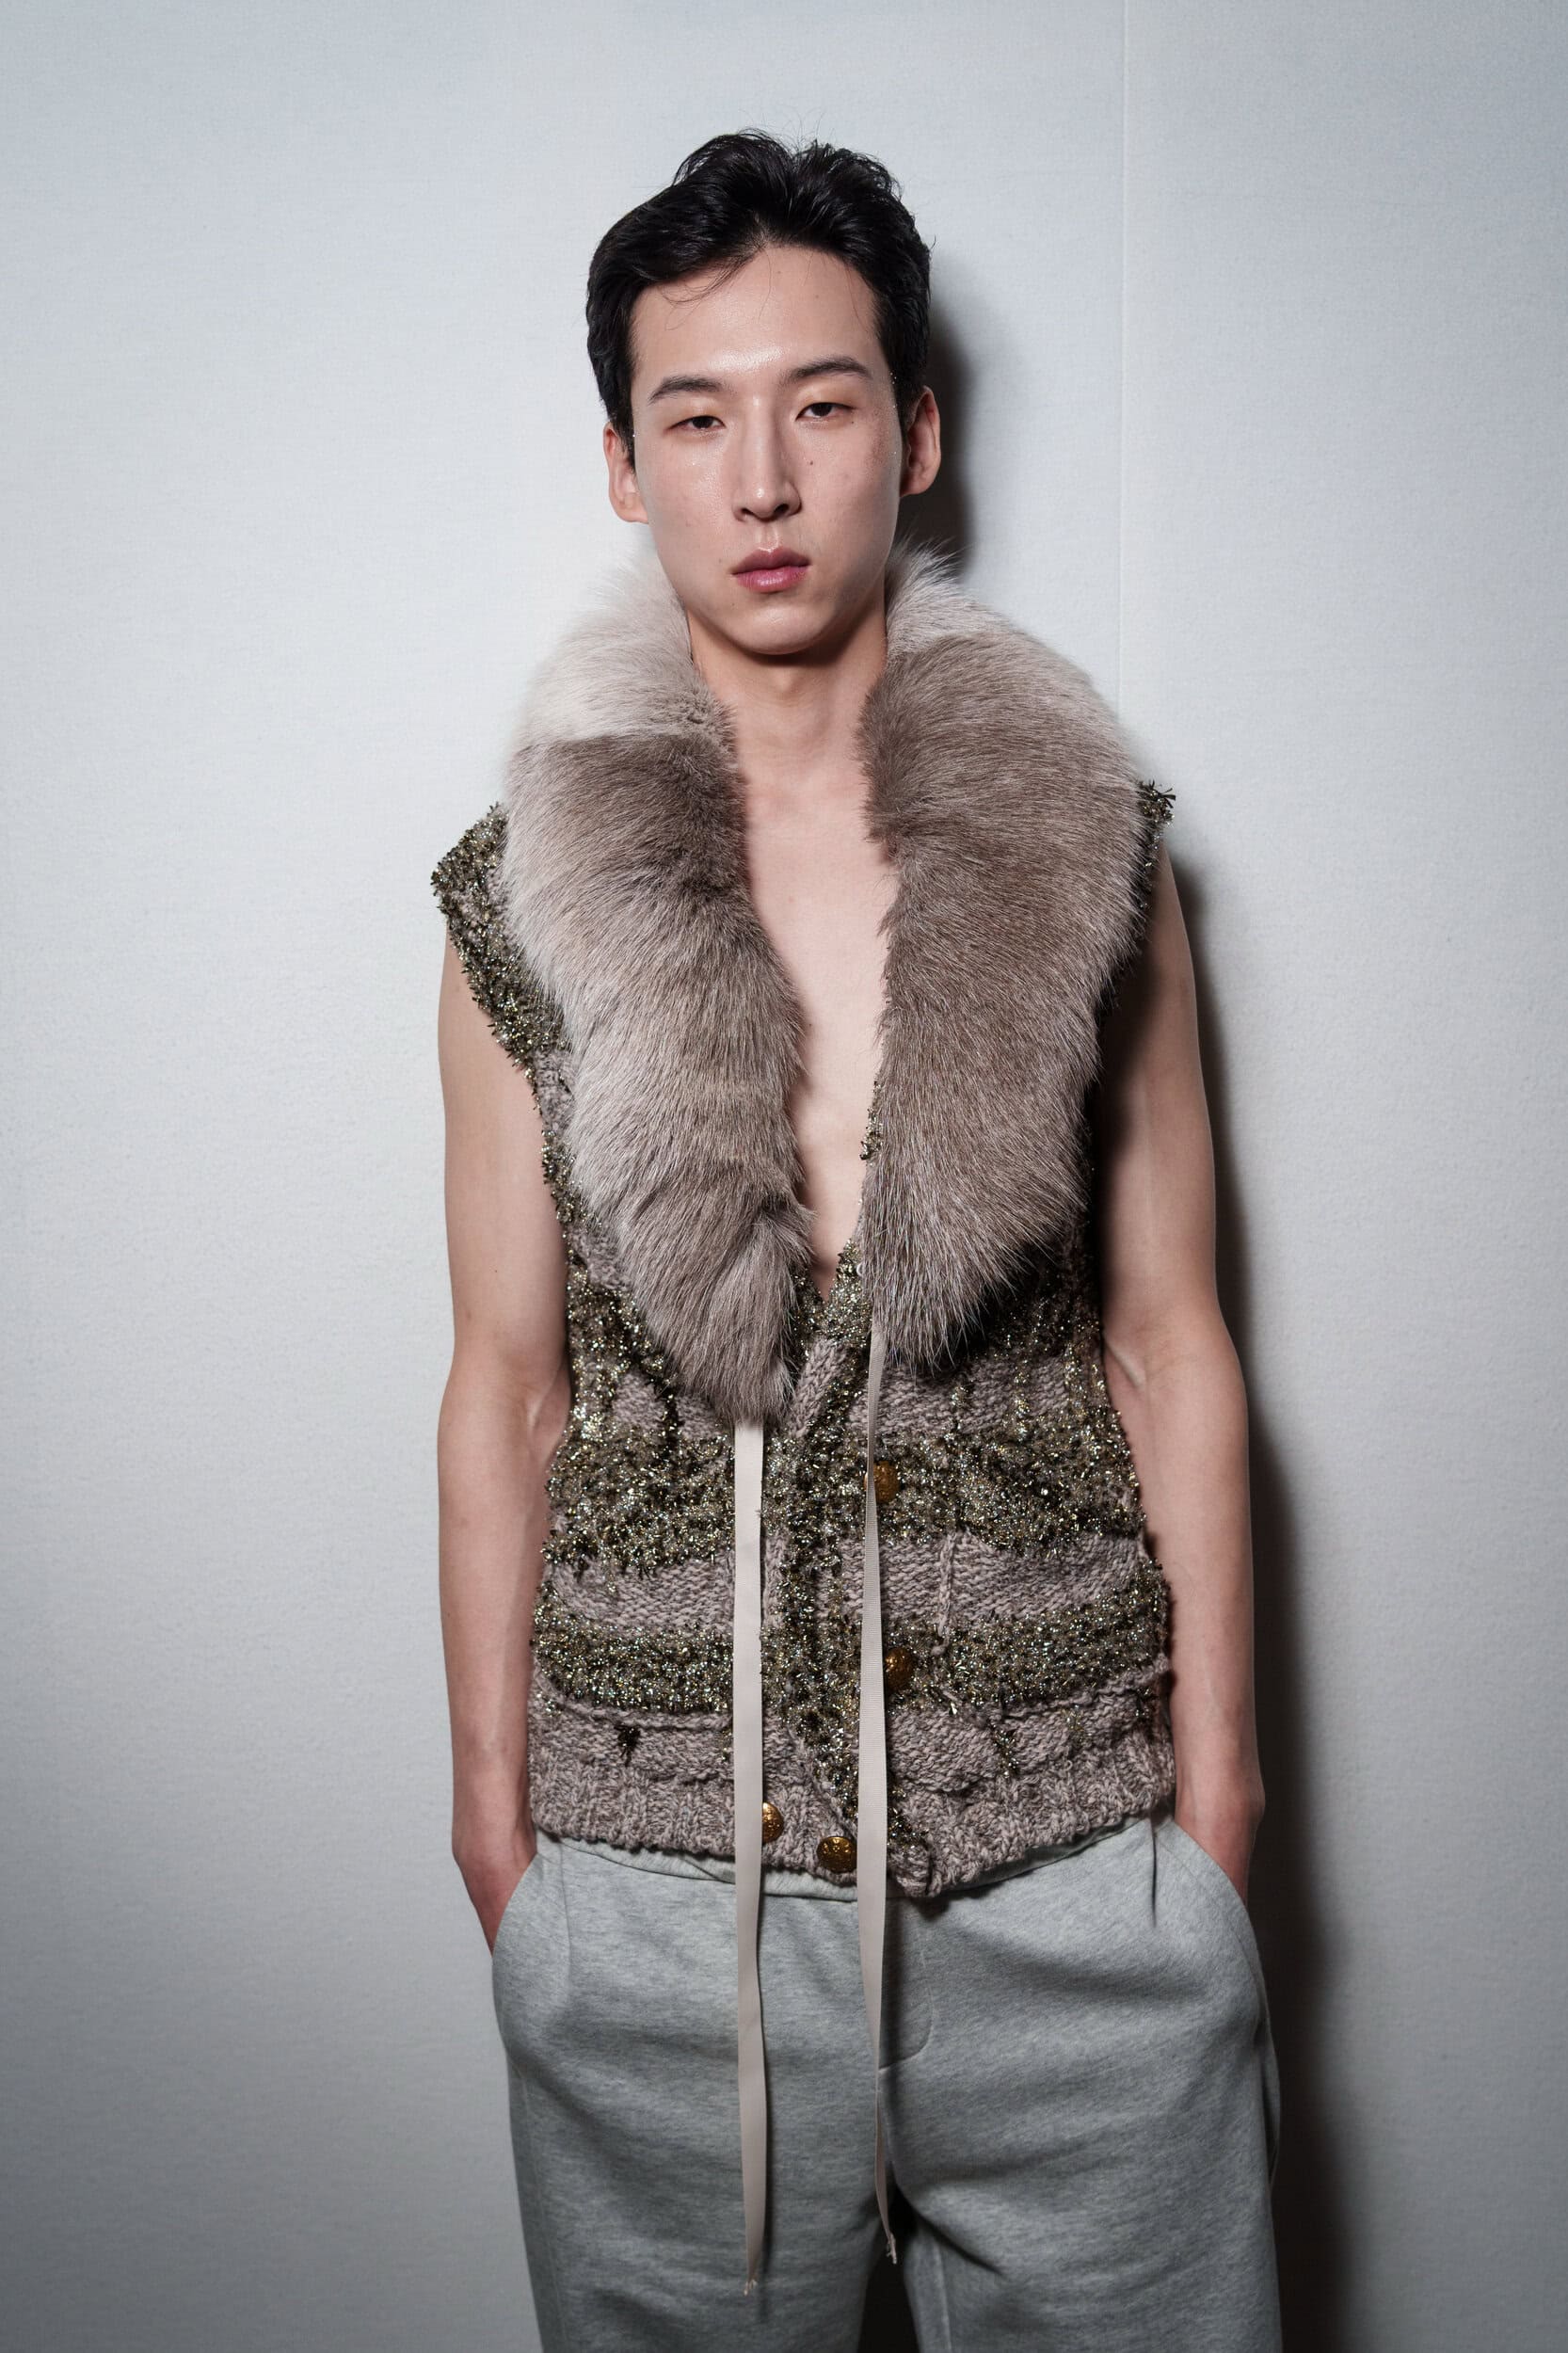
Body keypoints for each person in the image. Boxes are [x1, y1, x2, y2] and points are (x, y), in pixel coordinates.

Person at [432, 129, 1281, 2351]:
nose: (761, 479)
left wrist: (1213, 1811)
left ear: (911, 433)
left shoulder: (1093, 856)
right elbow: (504, 1384)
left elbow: (1170, 1336)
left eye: (817, 404)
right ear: (623, 466)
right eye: (693, 418)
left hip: (1068, 1861)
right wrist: (501, 1840)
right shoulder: (518, 897)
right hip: (653, 1890)